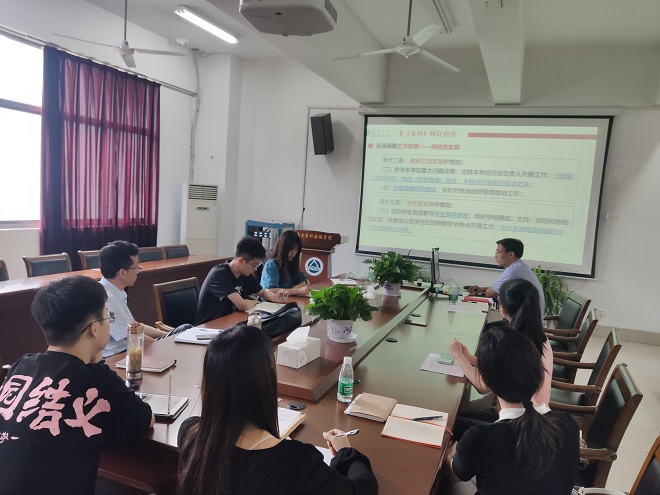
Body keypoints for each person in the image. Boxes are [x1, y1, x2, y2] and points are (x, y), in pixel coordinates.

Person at [177, 325, 378, 495]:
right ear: (264, 379)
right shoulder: (295, 460)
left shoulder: (190, 435)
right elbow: (363, 490)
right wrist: (345, 452)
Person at [0, 276, 154, 495]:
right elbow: (145, 419)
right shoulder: (97, 380)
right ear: (94, 329)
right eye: (108, 317)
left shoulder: (22, 366)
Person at [444, 328, 579, 495]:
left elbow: (452, 474)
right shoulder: (569, 426)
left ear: (485, 381)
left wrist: (450, 454)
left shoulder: (480, 438)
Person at [195, 236, 289, 325]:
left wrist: (275, 297)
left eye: (258, 265)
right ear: (241, 261)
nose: (255, 269)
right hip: (209, 327)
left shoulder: (245, 274)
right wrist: (256, 302)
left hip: (231, 322)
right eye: (254, 265)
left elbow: (263, 293)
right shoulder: (219, 274)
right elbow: (243, 305)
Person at [99, 240, 167, 357]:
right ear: (122, 272)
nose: (138, 271)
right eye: (136, 267)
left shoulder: (115, 291)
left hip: (132, 349)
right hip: (121, 356)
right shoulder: (108, 299)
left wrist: (168, 334)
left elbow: (136, 326)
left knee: (183, 329)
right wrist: (167, 344)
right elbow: (137, 338)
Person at [467, 238, 545, 317]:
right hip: (531, 317)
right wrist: (482, 289)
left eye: (498, 252)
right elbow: (498, 289)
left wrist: (484, 291)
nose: (495, 256)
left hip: (526, 320)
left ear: (511, 254)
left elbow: (490, 294)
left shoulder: (513, 270)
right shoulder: (519, 266)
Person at [260, 230, 310, 296]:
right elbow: (270, 291)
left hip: (286, 300)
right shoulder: (271, 265)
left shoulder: (290, 264)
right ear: (282, 248)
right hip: (271, 302)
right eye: (291, 249)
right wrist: (297, 291)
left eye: (296, 250)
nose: (293, 253)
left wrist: (295, 288)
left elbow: (306, 281)